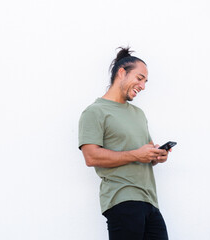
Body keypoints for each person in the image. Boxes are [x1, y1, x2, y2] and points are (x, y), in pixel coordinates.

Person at [79, 47, 172, 240]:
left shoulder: (138, 114)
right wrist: (136, 155)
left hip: (150, 202)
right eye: (139, 78)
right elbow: (91, 156)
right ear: (122, 72)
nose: (143, 86)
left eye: (145, 81)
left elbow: (146, 151)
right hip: (122, 200)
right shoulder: (95, 111)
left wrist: (157, 155)